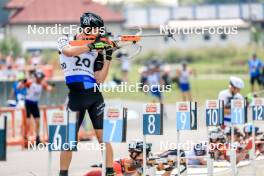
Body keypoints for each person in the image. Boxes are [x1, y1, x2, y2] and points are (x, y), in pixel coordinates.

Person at [57, 12, 115, 176]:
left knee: (103, 136)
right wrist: (91, 46)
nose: (98, 33)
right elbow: (68, 52)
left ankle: (110, 172)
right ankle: (63, 173)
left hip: (94, 95)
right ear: (87, 29)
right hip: (75, 96)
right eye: (96, 30)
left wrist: (108, 56)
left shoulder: (98, 48)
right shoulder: (65, 38)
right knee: (69, 140)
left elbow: (99, 79)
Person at [17, 71, 53, 145]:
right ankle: (25, 136)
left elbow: (49, 89)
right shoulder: (30, 83)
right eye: (38, 78)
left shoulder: (42, 84)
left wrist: (52, 86)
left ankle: (37, 138)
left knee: (37, 121)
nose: (39, 80)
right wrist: (23, 82)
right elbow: (19, 87)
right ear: (36, 78)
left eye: (41, 78)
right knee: (28, 121)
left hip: (35, 104)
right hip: (28, 102)